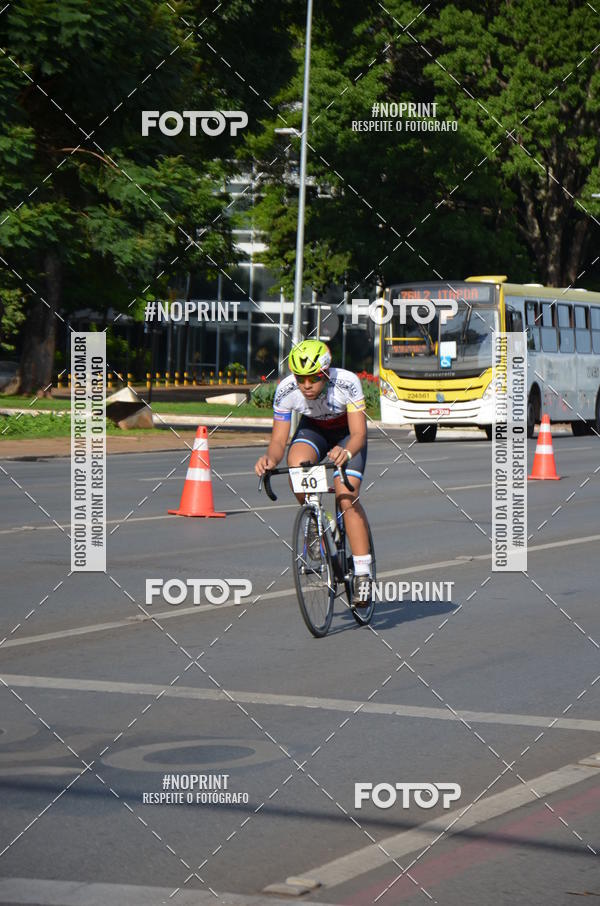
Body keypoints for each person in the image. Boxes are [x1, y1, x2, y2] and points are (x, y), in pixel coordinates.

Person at [255, 339, 372, 605]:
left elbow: (359, 434)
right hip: (314, 430)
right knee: (296, 465)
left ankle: (363, 575)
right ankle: (319, 519)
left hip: (347, 436)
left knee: (346, 496)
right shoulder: (286, 390)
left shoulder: (347, 382)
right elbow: (277, 442)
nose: (306, 386)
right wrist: (270, 459)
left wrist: (347, 453)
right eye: (300, 379)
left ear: (326, 374)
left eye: (313, 379)